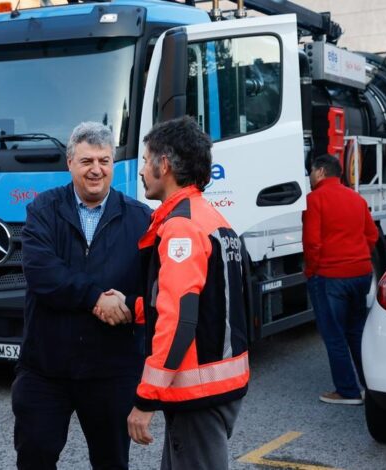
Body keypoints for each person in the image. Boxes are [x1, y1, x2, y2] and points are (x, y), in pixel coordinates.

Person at [14, 122, 152, 470]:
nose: (96, 170)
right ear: (70, 163)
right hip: (46, 368)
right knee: (35, 456)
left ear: (113, 164)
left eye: (104, 161)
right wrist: (95, 297)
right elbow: (42, 273)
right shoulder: (43, 210)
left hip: (111, 369)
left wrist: (126, 305)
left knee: (111, 462)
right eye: (87, 160)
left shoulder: (141, 218)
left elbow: (153, 287)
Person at [127, 117, 249, 470]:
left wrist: (146, 398)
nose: (142, 171)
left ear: (163, 165)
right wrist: (135, 308)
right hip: (218, 383)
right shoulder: (213, 219)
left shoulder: (180, 227)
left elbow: (179, 318)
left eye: (146, 160)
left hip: (197, 391)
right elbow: (208, 301)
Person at [303, 154, 378, 405]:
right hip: (361, 273)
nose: (310, 175)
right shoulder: (356, 198)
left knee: (334, 334)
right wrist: (356, 256)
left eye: (312, 170)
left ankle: (347, 391)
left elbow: (312, 242)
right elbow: (372, 235)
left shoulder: (315, 199)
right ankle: (372, 386)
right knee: (355, 331)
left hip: (331, 275)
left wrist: (312, 271)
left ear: (322, 171)